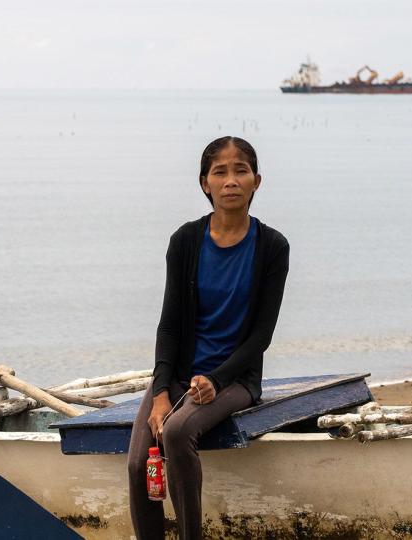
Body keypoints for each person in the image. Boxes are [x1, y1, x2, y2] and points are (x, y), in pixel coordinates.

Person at [126, 136, 290, 539]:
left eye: (241, 171)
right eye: (220, 172)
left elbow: (260, 338)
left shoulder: (272, 246)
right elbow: (168, 326)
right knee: (136, 463)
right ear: (205, 183)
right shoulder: (185, 242)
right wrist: (162, 392)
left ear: (257, 181)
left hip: (235, 379)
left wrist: (216, 381)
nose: (230, 180)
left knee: (180, 432)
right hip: (180, 373)